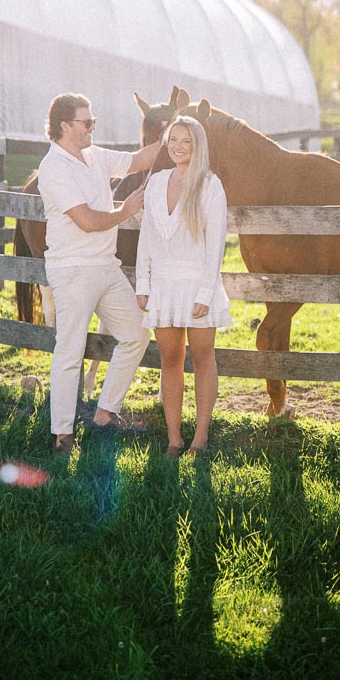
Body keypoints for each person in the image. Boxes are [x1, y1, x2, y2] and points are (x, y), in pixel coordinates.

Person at [38, 92, 163, 453]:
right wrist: (128, 210)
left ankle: (105, 415)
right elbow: (89, 221)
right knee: (70, 350)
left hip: (105, 267)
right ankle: (62, 434)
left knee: (137, 334)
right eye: (87, 122)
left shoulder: (94, 156)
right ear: (65, 126)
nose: (93, 127)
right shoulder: (54, 168)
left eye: (94, 122)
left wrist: (172, 131)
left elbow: (141, 159)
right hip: (73, 270)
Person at [135, 115, 231, 457]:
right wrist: (142, 283)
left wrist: (206, 292)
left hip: (196, 283)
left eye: (186, 141)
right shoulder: (157, 182)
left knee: (203, 357)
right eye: (173, 139)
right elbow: (146, 236)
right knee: (170, 359)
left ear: (198, 146)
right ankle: (174, 439)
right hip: (162, 284)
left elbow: (216, 243)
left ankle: (200, 437)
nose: (178, 146)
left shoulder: (209, 185)